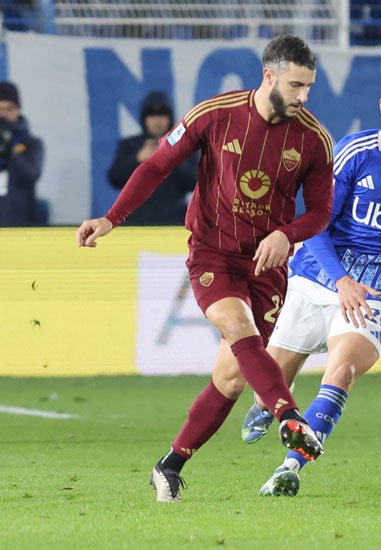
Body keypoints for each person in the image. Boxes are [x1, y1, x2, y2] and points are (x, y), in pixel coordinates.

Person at [75, 35, 335, 502]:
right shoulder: (215, 114)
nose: (303, 96)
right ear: (269, 76)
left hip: (268, 263)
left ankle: (169, 464)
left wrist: (286, 234)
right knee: (237, 325)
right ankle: (290, 418)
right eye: (296, 85)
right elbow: (156, 166)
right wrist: (111, 217)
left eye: (309, 87)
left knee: (232, 378)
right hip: (213, 253)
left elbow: (320, 213)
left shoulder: (314, 140)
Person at [237, 68, 381, 497]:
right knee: (267, 391)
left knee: (342, 371)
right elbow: (316, 224)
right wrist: (341, 279)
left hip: (376, 291)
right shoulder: (353, 153)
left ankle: (290, 468)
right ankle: (267, 402)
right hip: (318, 277)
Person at [107, 90, 197, 225]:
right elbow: (114, 179)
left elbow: (196, 182)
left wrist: (171, 158)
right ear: (144, 118)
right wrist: (137, 159)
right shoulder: (130, 145)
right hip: (136, 222)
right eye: (152, 115)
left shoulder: (185, 146)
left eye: (162, 115)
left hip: (174, 222)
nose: (157, 120)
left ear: (170, 117)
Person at [0, 81, 44, 226]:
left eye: (9, 109)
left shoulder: (31, 144)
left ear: (18, 110)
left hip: (16, 220)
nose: (4, 115)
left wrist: (10, 152)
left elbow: (30, 176)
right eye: (0, 109)